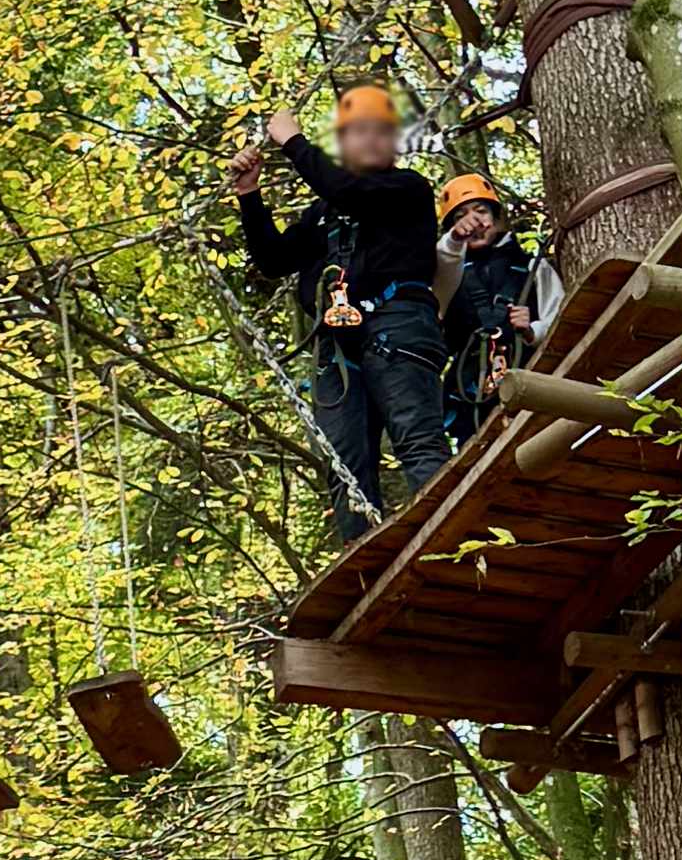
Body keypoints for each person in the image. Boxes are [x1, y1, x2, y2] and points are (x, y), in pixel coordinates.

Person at [234, 80, 453, 539]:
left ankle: (448, 538)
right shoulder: (323, 213)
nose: (370, 139)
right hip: (339, 345)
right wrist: (250, 196)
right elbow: (274, 260)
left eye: (380, 131)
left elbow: (355, 194)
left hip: (398, 326)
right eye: (358, 132)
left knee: (418, 441)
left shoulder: (407, 189)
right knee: (346, 467)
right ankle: (363, 563)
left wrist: (293, 143)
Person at [433, 171, 548, 446]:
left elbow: (560, 315)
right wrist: (454, 238)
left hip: (529, 379)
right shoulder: (450, 275)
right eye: (460, 216)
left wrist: (533, 329)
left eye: (480, 211)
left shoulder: (532, 267)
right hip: (471, 392)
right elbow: (442, 263)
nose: (472, 222)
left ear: (496, 218)